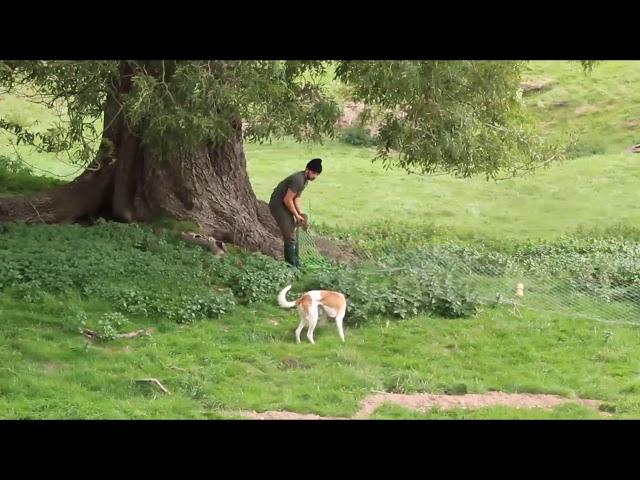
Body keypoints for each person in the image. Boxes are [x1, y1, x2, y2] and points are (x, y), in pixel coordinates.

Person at [269, 158, 322, 269]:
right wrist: (296, 215)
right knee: (289, 235)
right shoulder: (297, 179)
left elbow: (297, 197)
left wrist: (300, 212)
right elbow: (287, 199)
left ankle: (296, 261)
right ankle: (291, 266)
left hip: (286, 203)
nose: (315, 176)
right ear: (307, 169)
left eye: (317, 174)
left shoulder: (305, 180)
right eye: (313, 173)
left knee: (293, 232)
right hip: (278, 205)